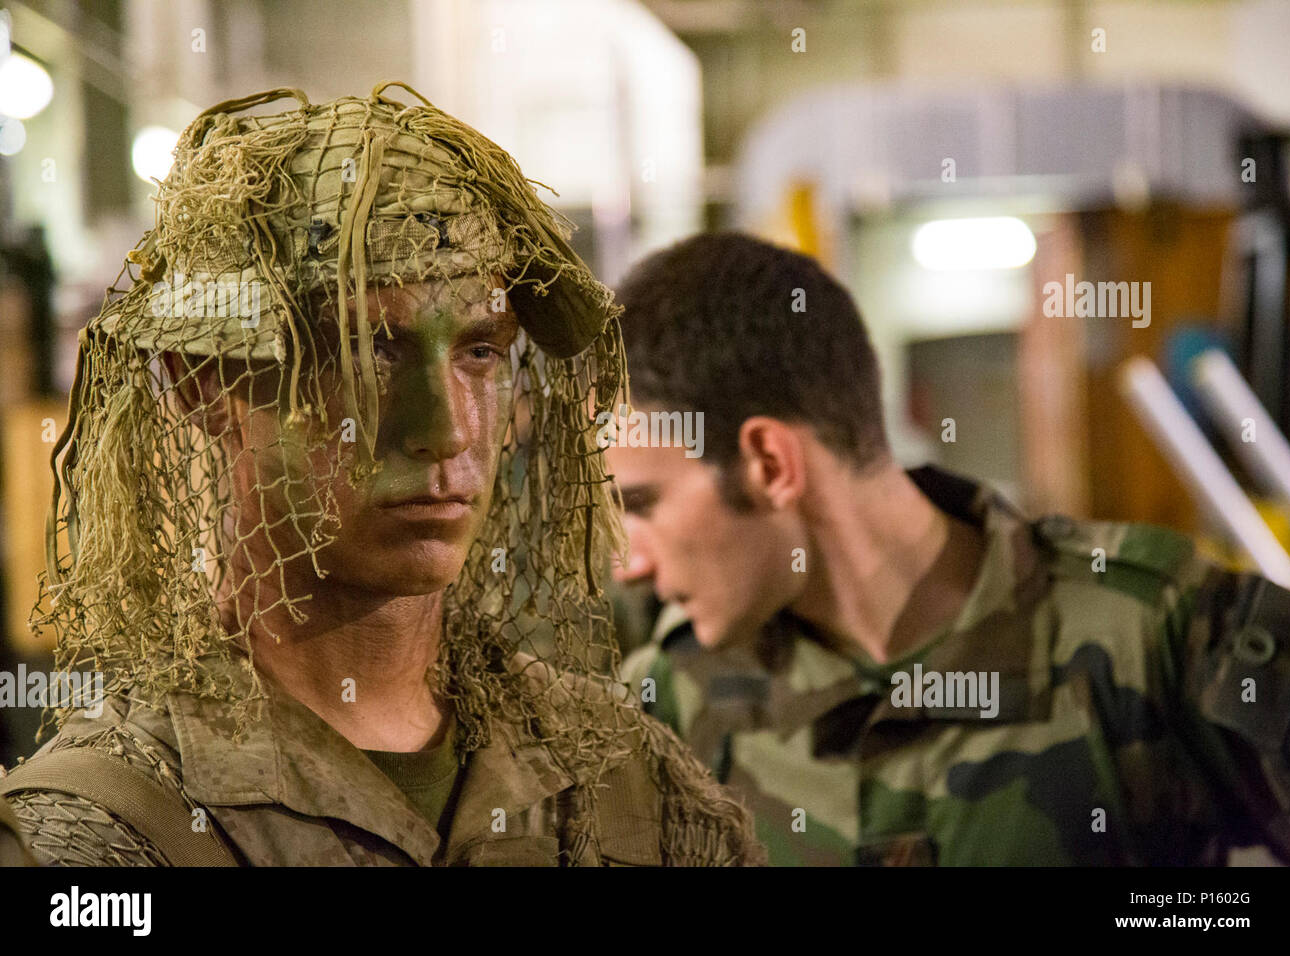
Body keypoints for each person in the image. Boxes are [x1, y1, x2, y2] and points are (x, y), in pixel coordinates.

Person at [0, 85, 760, 867]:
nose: (448, 429)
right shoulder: (101, 836)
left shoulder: (633, 784)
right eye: (368, 350)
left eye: (480, 351)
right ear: (203, 384)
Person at [610, 230, 1290, 866]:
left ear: (769, 463)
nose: (627, 565)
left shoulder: (1157, 632)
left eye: (641, 504)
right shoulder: (666, 711)